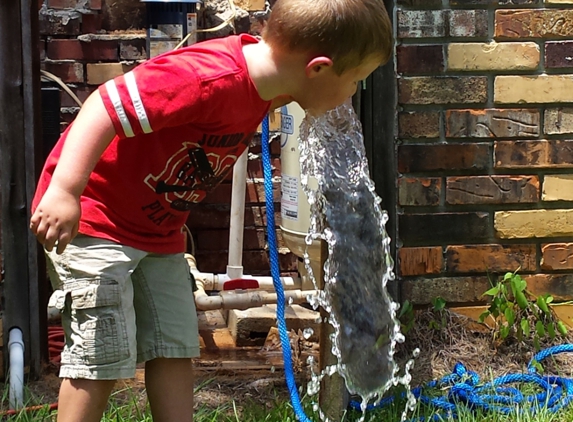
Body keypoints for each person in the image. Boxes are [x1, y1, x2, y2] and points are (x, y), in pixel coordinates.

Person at [30, 0, 392, 420]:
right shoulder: (208, 77)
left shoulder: (275, 87)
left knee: (175, 340)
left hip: (157, 232)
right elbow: (104, 105)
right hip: (95, 217)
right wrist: (65, 191)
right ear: (318, 68)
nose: (352, 94)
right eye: (356, 81)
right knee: (102, 348)